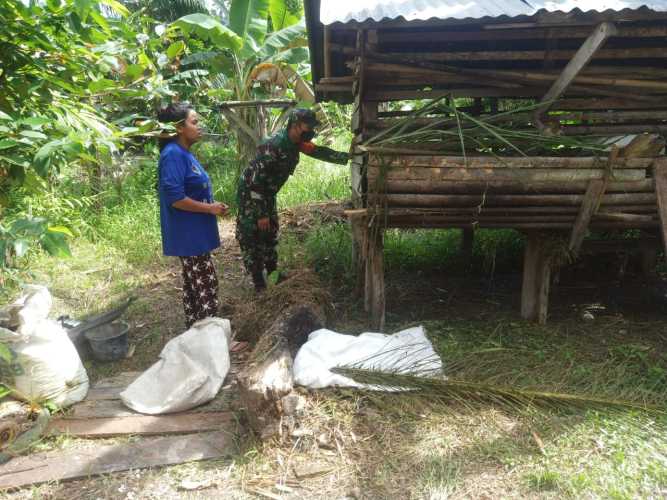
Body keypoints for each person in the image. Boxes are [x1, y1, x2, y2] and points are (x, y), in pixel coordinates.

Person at [236, 108, 349, 291]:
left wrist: (347, 157)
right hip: (252, 195)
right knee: (253, 235)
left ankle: (273, 274)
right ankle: (258, 284)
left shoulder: (296, 143)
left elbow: (319, 152)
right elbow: (255, 181)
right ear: (295, 126)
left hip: (268, 194)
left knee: (271, 231)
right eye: (308, 126)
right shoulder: (274, 146)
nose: (311, 131)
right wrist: (261, 213)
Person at [157, 103, 228, 327]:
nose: (200, 127)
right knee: (206, 286)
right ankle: (213, 337)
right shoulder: (173, 155)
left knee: (193, 286)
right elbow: (175, 198)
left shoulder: (184, 153)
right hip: (188, 236)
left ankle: (196, 334)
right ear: (179, 127)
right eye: (194, 122)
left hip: (194, 233)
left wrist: (212, 205)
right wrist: (210, 208)